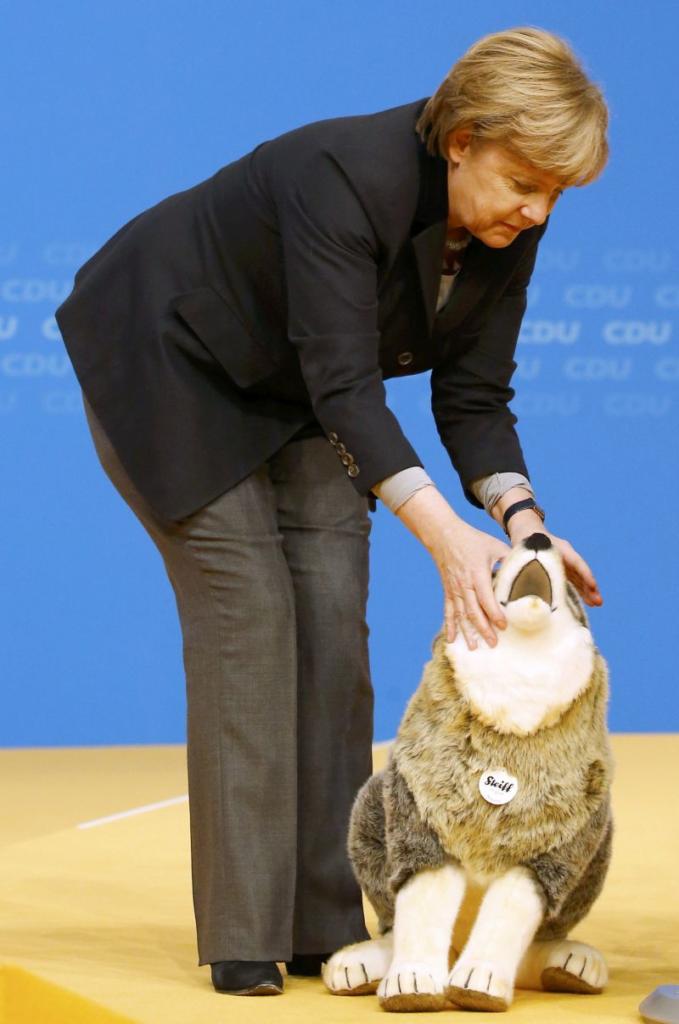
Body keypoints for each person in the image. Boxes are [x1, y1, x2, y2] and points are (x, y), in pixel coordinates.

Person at [56, 26, 608, 997]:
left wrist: (524, 529)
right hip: (174, 361)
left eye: (556, 192)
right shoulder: (339, 175)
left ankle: (320, 919)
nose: (538, 208)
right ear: (461, 139)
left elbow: (473, 395)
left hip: (299, 386)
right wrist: (447, 539)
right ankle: (243, 929)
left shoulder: (510, 218)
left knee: (332, 622)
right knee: (251, 622)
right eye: (525, 180)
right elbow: (347, 385)